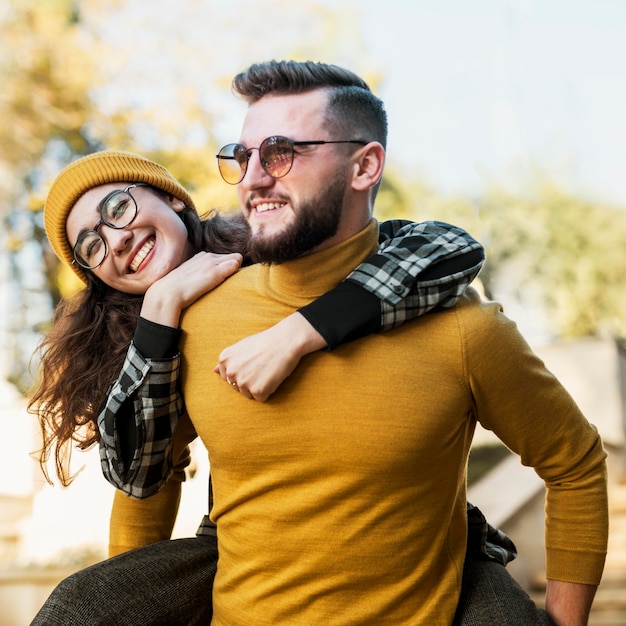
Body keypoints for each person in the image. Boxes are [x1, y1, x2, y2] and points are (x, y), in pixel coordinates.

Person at [30, 59, 607, 624]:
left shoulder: (452, 317)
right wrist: (158, 316)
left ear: (365, 166)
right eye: (244, 156)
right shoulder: (182, 322)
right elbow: (142, 482)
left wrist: (300, 332)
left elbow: (445, 248)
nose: (254, 176)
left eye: (280, 153)